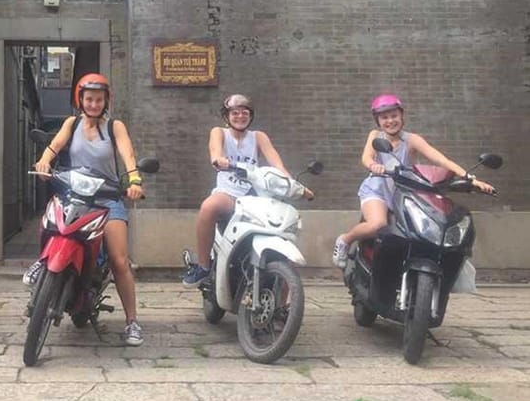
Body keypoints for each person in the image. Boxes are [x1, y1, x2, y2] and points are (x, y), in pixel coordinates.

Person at [27, 73, 147, 346]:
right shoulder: (72, 123)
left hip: (106, 197)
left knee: (119, 259)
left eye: (99, 99)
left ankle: (132, 322)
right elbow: (54, 146)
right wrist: (44, 162)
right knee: (51, 220)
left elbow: (127, 154)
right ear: (80, 100)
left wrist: (134, 179)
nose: (93, 104)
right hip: (74, 193)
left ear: (106, 101)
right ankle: (43, 261)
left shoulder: (115, 126)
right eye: (89, 99)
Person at [332, 94, 496, 268]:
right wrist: (374, 165)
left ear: (402, 116)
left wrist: (471, 179)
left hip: (403, 190)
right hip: (377, 189)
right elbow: (366, 157)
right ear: (378, 120)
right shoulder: (375, 135)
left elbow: (441, 160)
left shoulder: (412, 140)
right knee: (377, 224)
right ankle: (345, 240)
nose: (390, 121)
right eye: (384, 117)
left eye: (394, 115)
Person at [181, 93, 312, 288]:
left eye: (245, 113)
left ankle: (284, 306)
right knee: (209, 206)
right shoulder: (219, 132)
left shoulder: (259, 137)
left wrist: (294, 185)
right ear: (227, 116)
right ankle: (203, 266)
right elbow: (215, 152)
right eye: (235, 113)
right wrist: (219, 160)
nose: (240, 116)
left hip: (255, 198)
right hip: (228, 194)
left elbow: (277, 164)